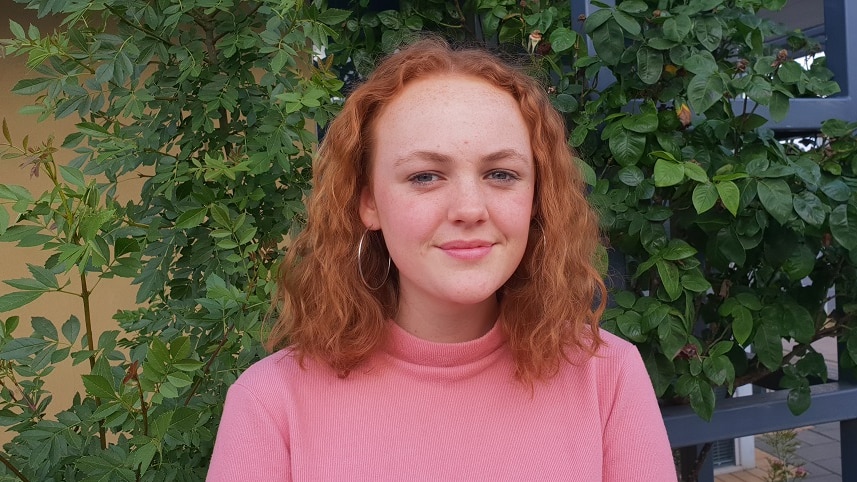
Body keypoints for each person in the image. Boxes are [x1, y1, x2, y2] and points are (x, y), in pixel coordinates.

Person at [207, 37, 676, 481]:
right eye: (426, 176)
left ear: (538, 197)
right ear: (367, 201)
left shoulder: (607, 377)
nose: (470, 209)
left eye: (501, 173)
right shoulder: (272, 403)